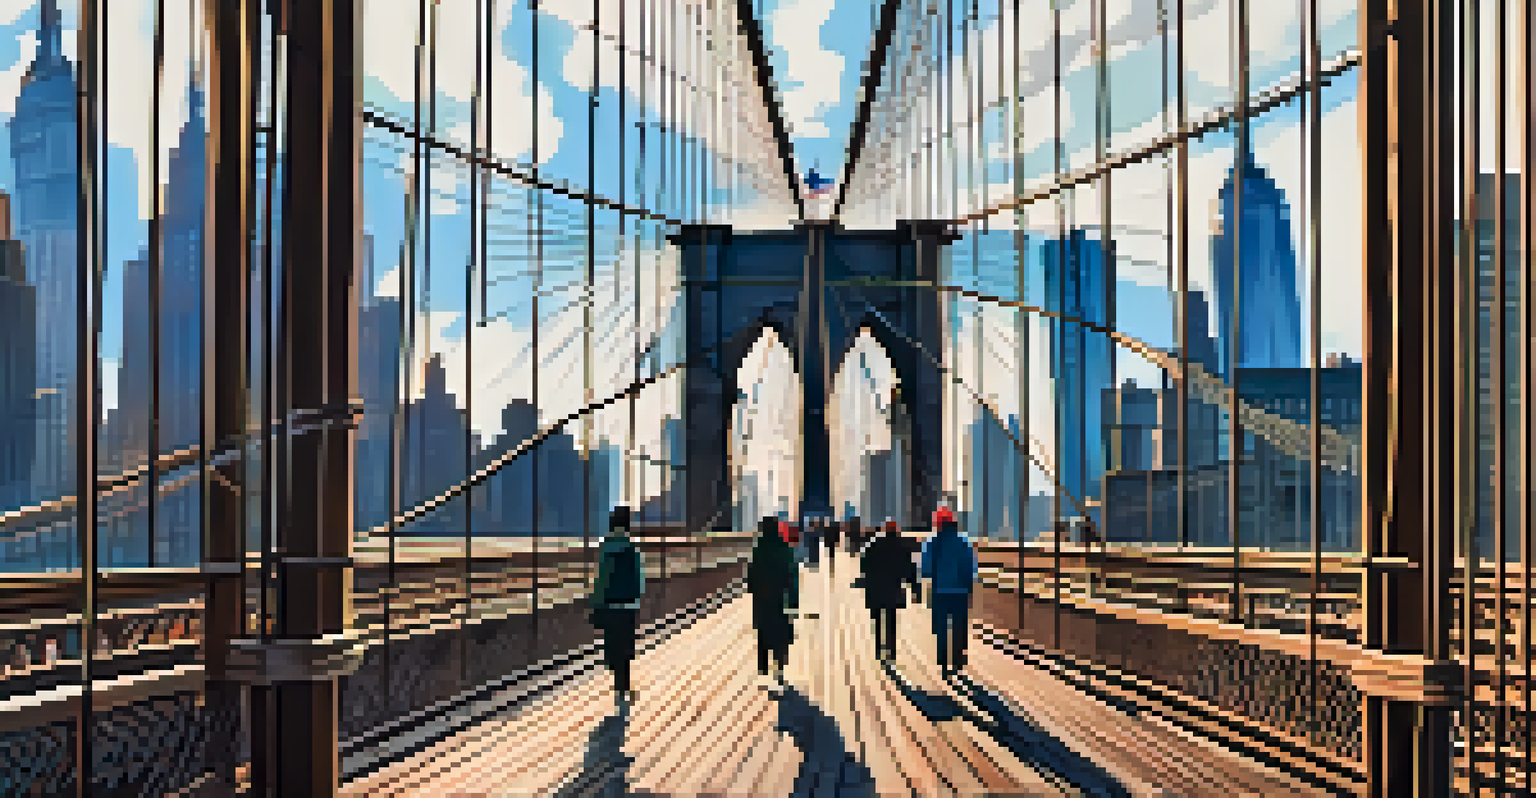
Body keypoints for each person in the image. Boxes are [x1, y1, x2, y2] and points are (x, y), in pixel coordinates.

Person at [589, 506, 645, 706]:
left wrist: (596, 603)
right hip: (628, 605)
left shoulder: (606, 546)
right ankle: (624, 686)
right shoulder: (632, 546)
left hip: (610, 605)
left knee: (612, 645)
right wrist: (637, 598)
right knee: (626, 647)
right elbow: (639, 578)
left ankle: (618, 683)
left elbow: (601, 578)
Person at [920, 509, 978, 677]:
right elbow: (971, 566)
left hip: (940, 590)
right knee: (959, 626)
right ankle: (958, 660)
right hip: (960, 591)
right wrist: (968, 586)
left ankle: (944, 661)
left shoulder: (932, 541)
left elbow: (925, 568)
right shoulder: (963, 540)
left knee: (941, 627)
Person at [748, 515, 799, 692]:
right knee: (781, 633)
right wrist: (793, 600)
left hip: (762, 598)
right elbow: (792, 575)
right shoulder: (784, 548)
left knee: (763, 632)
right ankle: (780, 668)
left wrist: (752, 589)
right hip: (780, 598)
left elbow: (751, 574)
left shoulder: (758, 548)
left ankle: (763, 670)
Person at [859, 518, 920, 662]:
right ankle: (891, 650)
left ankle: (879, 649)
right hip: (894, 589)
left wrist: (867, 579)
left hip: (876, 589)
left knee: (878, 619)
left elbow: (864, 564)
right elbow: (910, 569)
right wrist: (915, 589)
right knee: (891, 620)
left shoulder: (873, 544)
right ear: (897, 530)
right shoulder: (902, 546)